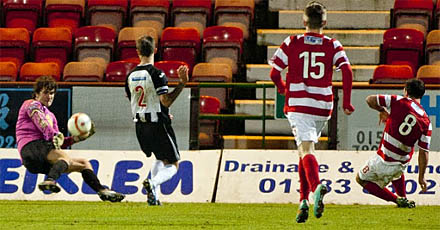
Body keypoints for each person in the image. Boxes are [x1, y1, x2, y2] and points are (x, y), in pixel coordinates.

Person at [269, 1, 355, 223]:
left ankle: (316, 188)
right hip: (323, 106)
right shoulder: (333, 44)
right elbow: (346, 70)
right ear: (324, 22)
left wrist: (282, 88)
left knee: (306, 149)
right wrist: (346, 101)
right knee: (304, 149)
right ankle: (303, 201)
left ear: (303, 21)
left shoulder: (293, 42)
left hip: (299, 103)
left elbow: (274, 72)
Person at [16, 76, 125, 202]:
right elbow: (41, 122)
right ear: (36, 94)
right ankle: (50, 181)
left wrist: (79, 138)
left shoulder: (51, 117)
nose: (49, 96)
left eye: (52, 93)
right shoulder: (31, 104)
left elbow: (59, 144)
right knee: (64, 158)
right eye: (45, 92)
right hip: (31, 147)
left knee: (84, 164)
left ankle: (102, 191)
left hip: (37, 161)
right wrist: (54, 135)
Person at [125, 35, 188, 206]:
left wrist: (164, 111)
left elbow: (133, 99)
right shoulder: (157, 73)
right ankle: (153, 183)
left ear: (137, 52)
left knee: (160, 159)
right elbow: (165, 100)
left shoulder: (130, 75)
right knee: (173, 164)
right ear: (155, 50)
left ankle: (155, 197)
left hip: (140, 126)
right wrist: (182, 83)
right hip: (157, 124)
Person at [356, 79, 431, 208]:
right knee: (397, 173)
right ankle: (404, 199)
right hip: (401, 165)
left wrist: (382, 110)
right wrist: (421, 177)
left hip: (384, 160)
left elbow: (370, 99)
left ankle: (396, 199)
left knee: (360, 179)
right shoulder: (426, 122)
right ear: (422, 95)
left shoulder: (399, 101)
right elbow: (424, 153)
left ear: (406, 91)